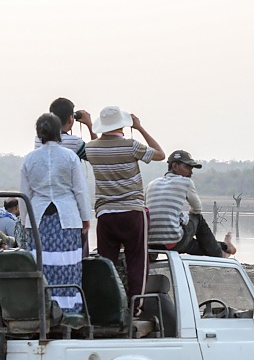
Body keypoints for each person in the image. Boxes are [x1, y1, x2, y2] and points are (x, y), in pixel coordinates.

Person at [85, 106, 165, 301]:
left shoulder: (91, 148)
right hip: (132, 212)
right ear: (122, 125)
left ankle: (109, 308)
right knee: (137, 262)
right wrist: (140, 127)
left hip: (105, 214)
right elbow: (161, 154)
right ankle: (135, 308)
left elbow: (99, 144)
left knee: (107, 265)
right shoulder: (131, 146)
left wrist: (88, 125)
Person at [21, 113, 91, 313]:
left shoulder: (30, 159)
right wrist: (86, 218)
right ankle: (68, 311)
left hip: (39, 220)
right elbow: (80, 190)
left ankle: (43, 310)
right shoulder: (69, 157)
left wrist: (26, 222)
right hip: (67, 219)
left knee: (42, 266)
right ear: (58, 133)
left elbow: (24, 195)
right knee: (67, 266)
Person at [147, 150, 237, 258]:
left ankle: (224, 249)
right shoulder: (185, 182)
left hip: (152, 243)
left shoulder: (151, 184)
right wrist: (184, 217)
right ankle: (220, 252)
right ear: (175, 166)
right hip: (173, 242)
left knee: (193, 245)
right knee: (197, 218)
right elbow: (197, 209)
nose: (191, 172)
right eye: (188, 167)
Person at [35, 97, 96, 256]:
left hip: (42, 207)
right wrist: (90, 125)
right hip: (69, 209)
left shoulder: (37, 141)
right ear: (71, 118)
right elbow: (96, 155)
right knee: (76, 254)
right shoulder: (74, 142)